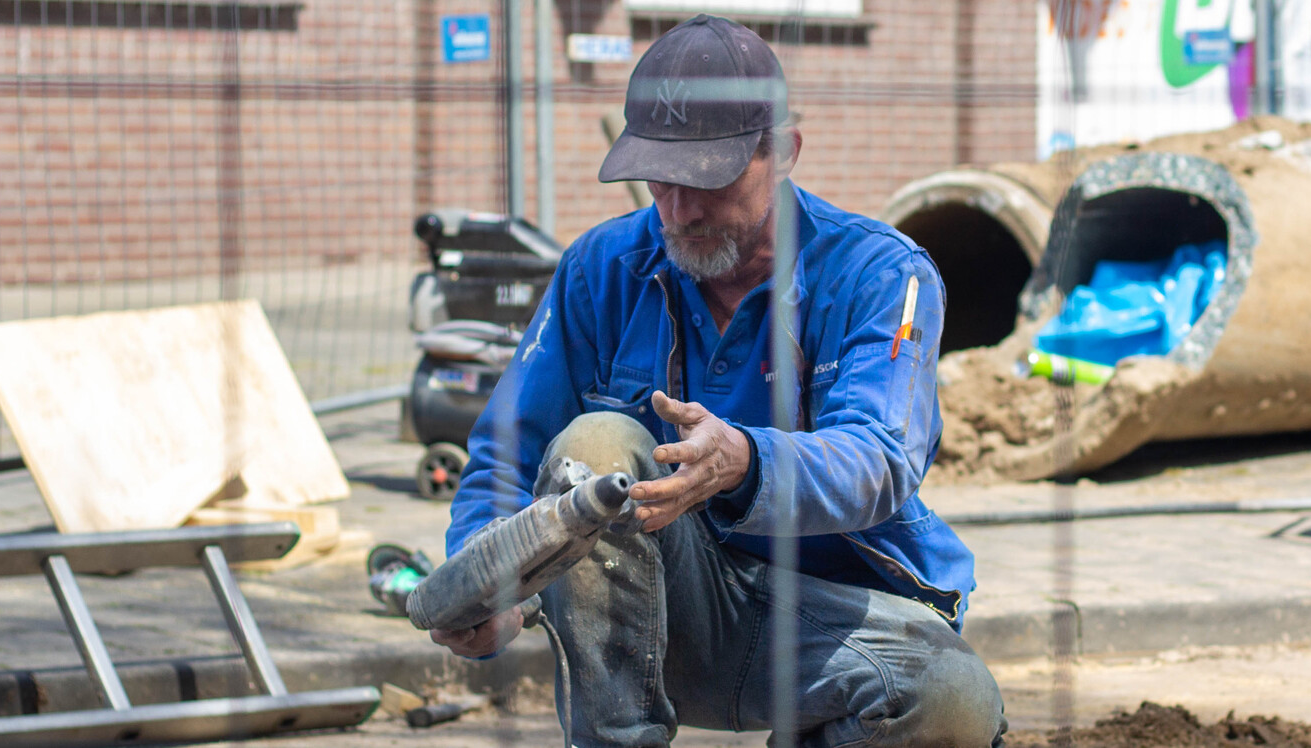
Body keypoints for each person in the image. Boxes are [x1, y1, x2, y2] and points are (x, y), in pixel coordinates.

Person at [429, 14, 1006, 748]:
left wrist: (748, 459)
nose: (682, 208)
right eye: (661, 179)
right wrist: (487, 584)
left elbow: (881, 458)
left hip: (828, 619)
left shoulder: (879, 274)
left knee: (950, 700)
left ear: (786, 152)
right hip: (660, 622)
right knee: (598, 445)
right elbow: (505, 457)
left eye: (711, 177)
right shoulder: (601, 269)